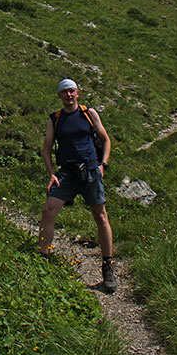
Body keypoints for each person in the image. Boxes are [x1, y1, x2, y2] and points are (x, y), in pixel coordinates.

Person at [38, 78, 116, 293]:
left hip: (91, 169)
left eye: (71, 91)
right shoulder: (55, 118)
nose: (68, 95)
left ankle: (108, 267)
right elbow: (46, 147)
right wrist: (52, 174)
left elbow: (105, 139)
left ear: (77, 93)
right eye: (64, 92)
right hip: (67, 172)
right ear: (60, 96)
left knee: (101, 216)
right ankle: (41, 259)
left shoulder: (89, 114)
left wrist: (103, 165)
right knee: (49, 210)